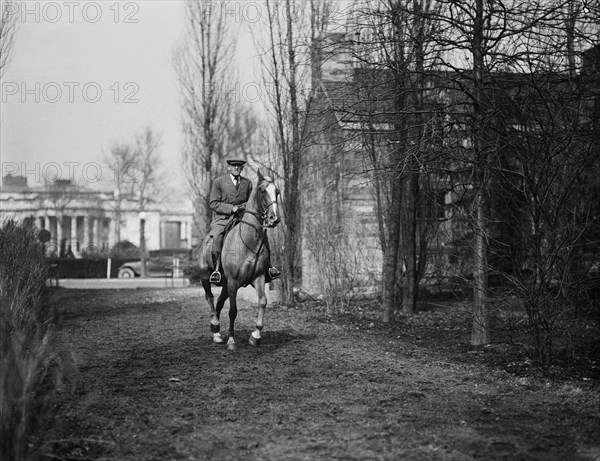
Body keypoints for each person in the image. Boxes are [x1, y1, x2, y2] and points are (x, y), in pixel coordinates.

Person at [208, 158, 281, 284]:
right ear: (229, 168)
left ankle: (269, 267)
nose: (236, 167)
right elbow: (213, 203)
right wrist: (232, 208)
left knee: (261, 234)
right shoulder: (218, 182)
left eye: (239, 166)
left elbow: (251, 200)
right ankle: (217, 270)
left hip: (242, 217)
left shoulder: (247, 183)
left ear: (242, 168)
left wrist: (243, 207)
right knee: (218, 236)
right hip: (223, 219)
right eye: (233, 165)